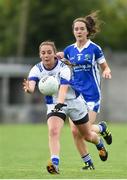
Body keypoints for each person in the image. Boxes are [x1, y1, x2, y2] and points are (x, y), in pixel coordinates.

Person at [23, 40, 108, 174]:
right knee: (54, 131)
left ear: (54, 54)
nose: (46, 55)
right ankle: (54, 164)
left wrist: (60, 102)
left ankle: (99, 142)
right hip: (54, 104)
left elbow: (63, 88)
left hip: (75, 102)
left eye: (49, 52)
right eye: (43, 53)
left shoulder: (63, 67)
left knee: (86, 135)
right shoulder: (36, 69)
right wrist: (29, 89)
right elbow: (32, 85)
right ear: (40, 55)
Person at [56, 10, 112, 170]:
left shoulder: (94, 49)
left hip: (92, 95)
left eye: (82, 28)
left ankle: (101, 129)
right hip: (75, 96)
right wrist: (58, 56)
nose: (79, 31)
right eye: (76, 29)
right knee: (76, 131)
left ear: (87, 31)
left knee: (84, 131)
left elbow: (104, 66)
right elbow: (63, 64)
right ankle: (89, 162)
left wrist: (107, 71)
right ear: (73, 31)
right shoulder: (69, 50)